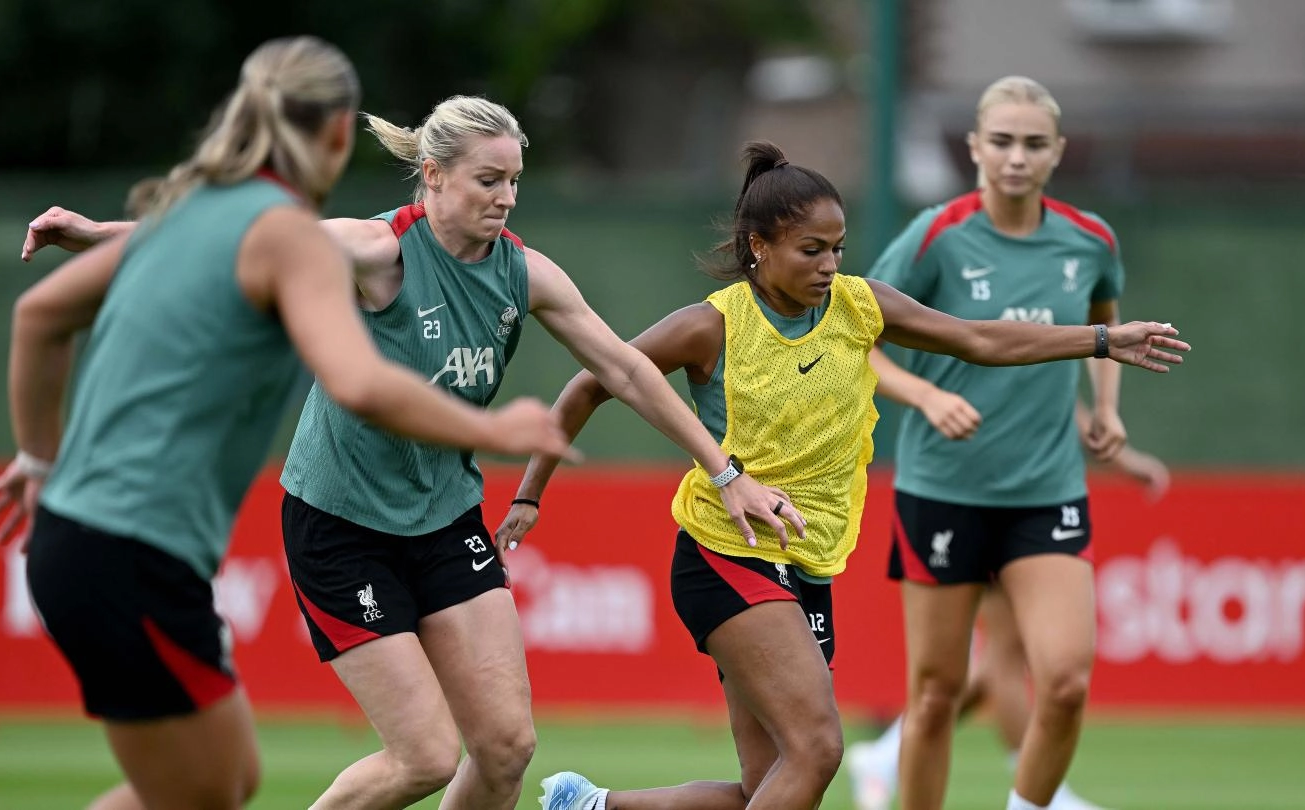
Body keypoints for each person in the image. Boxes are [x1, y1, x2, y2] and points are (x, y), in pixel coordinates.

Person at [16, 96, 803, 810]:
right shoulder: (376, 252)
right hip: (340, 527)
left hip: (442, 521)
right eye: (488, 180)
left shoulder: (523, 273)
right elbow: (235, 242)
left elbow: (626, 368)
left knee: (505, 750)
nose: (505, 198)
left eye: (515, 181)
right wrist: (97, 235)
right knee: (424, 757)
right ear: (432, 175)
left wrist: (723, 470)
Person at [494, 140, 1188, 810]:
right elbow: (589, 385)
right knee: (820, 750)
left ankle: (589, 805)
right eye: (811, 249)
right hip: (726, 555)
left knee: (768, 789)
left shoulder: (860, 306)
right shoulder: (712, 327)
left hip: (809, 563)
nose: (830, 265)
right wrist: (531, 493)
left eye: (837, 248)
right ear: (759, 247)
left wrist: (1099, 339)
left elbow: (979, 337)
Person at [0, 38, 575, 810]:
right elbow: (358, 383)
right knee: (231, 782)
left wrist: (36, 454)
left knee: (216, 786)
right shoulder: (289, 233)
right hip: (128, 551)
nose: (505, 196)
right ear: (336, 136)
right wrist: (499, 433)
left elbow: (40, 312)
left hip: (107, 547)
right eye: (491, 178)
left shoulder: (220, 213)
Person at [858, 74, 1157, 810]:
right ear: (974, 148)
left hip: (1046, 490)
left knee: (1064, 679)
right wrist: (927, 394)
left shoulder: (1089, 241)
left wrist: (1108, 410)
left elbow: (1102, 330)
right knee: (936, 693)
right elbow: (854, 340)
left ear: (1056, 153)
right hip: (942, 488)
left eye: (1032, 143)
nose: (1016, 157)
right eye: (1001, 141)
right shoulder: (935, 235)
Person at [846, 402, 1171, 810]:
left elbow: (1043, 380)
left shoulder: (1046, 354)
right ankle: (1042, 796)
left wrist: (1112, 437)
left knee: (996, 662)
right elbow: (1006, 364)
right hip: (972, 487)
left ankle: (885, 757)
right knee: (999, 657)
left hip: (1029, 488)